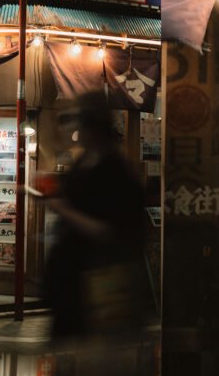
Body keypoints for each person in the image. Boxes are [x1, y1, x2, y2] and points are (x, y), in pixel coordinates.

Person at [37, 91, 148, 339]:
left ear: (92, 126)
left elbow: (111, 232)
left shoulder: (116, 172)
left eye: (73, 120)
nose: (70, 128)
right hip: (71, 288)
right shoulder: (84, 161)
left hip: (99, 292)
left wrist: (62, 208)